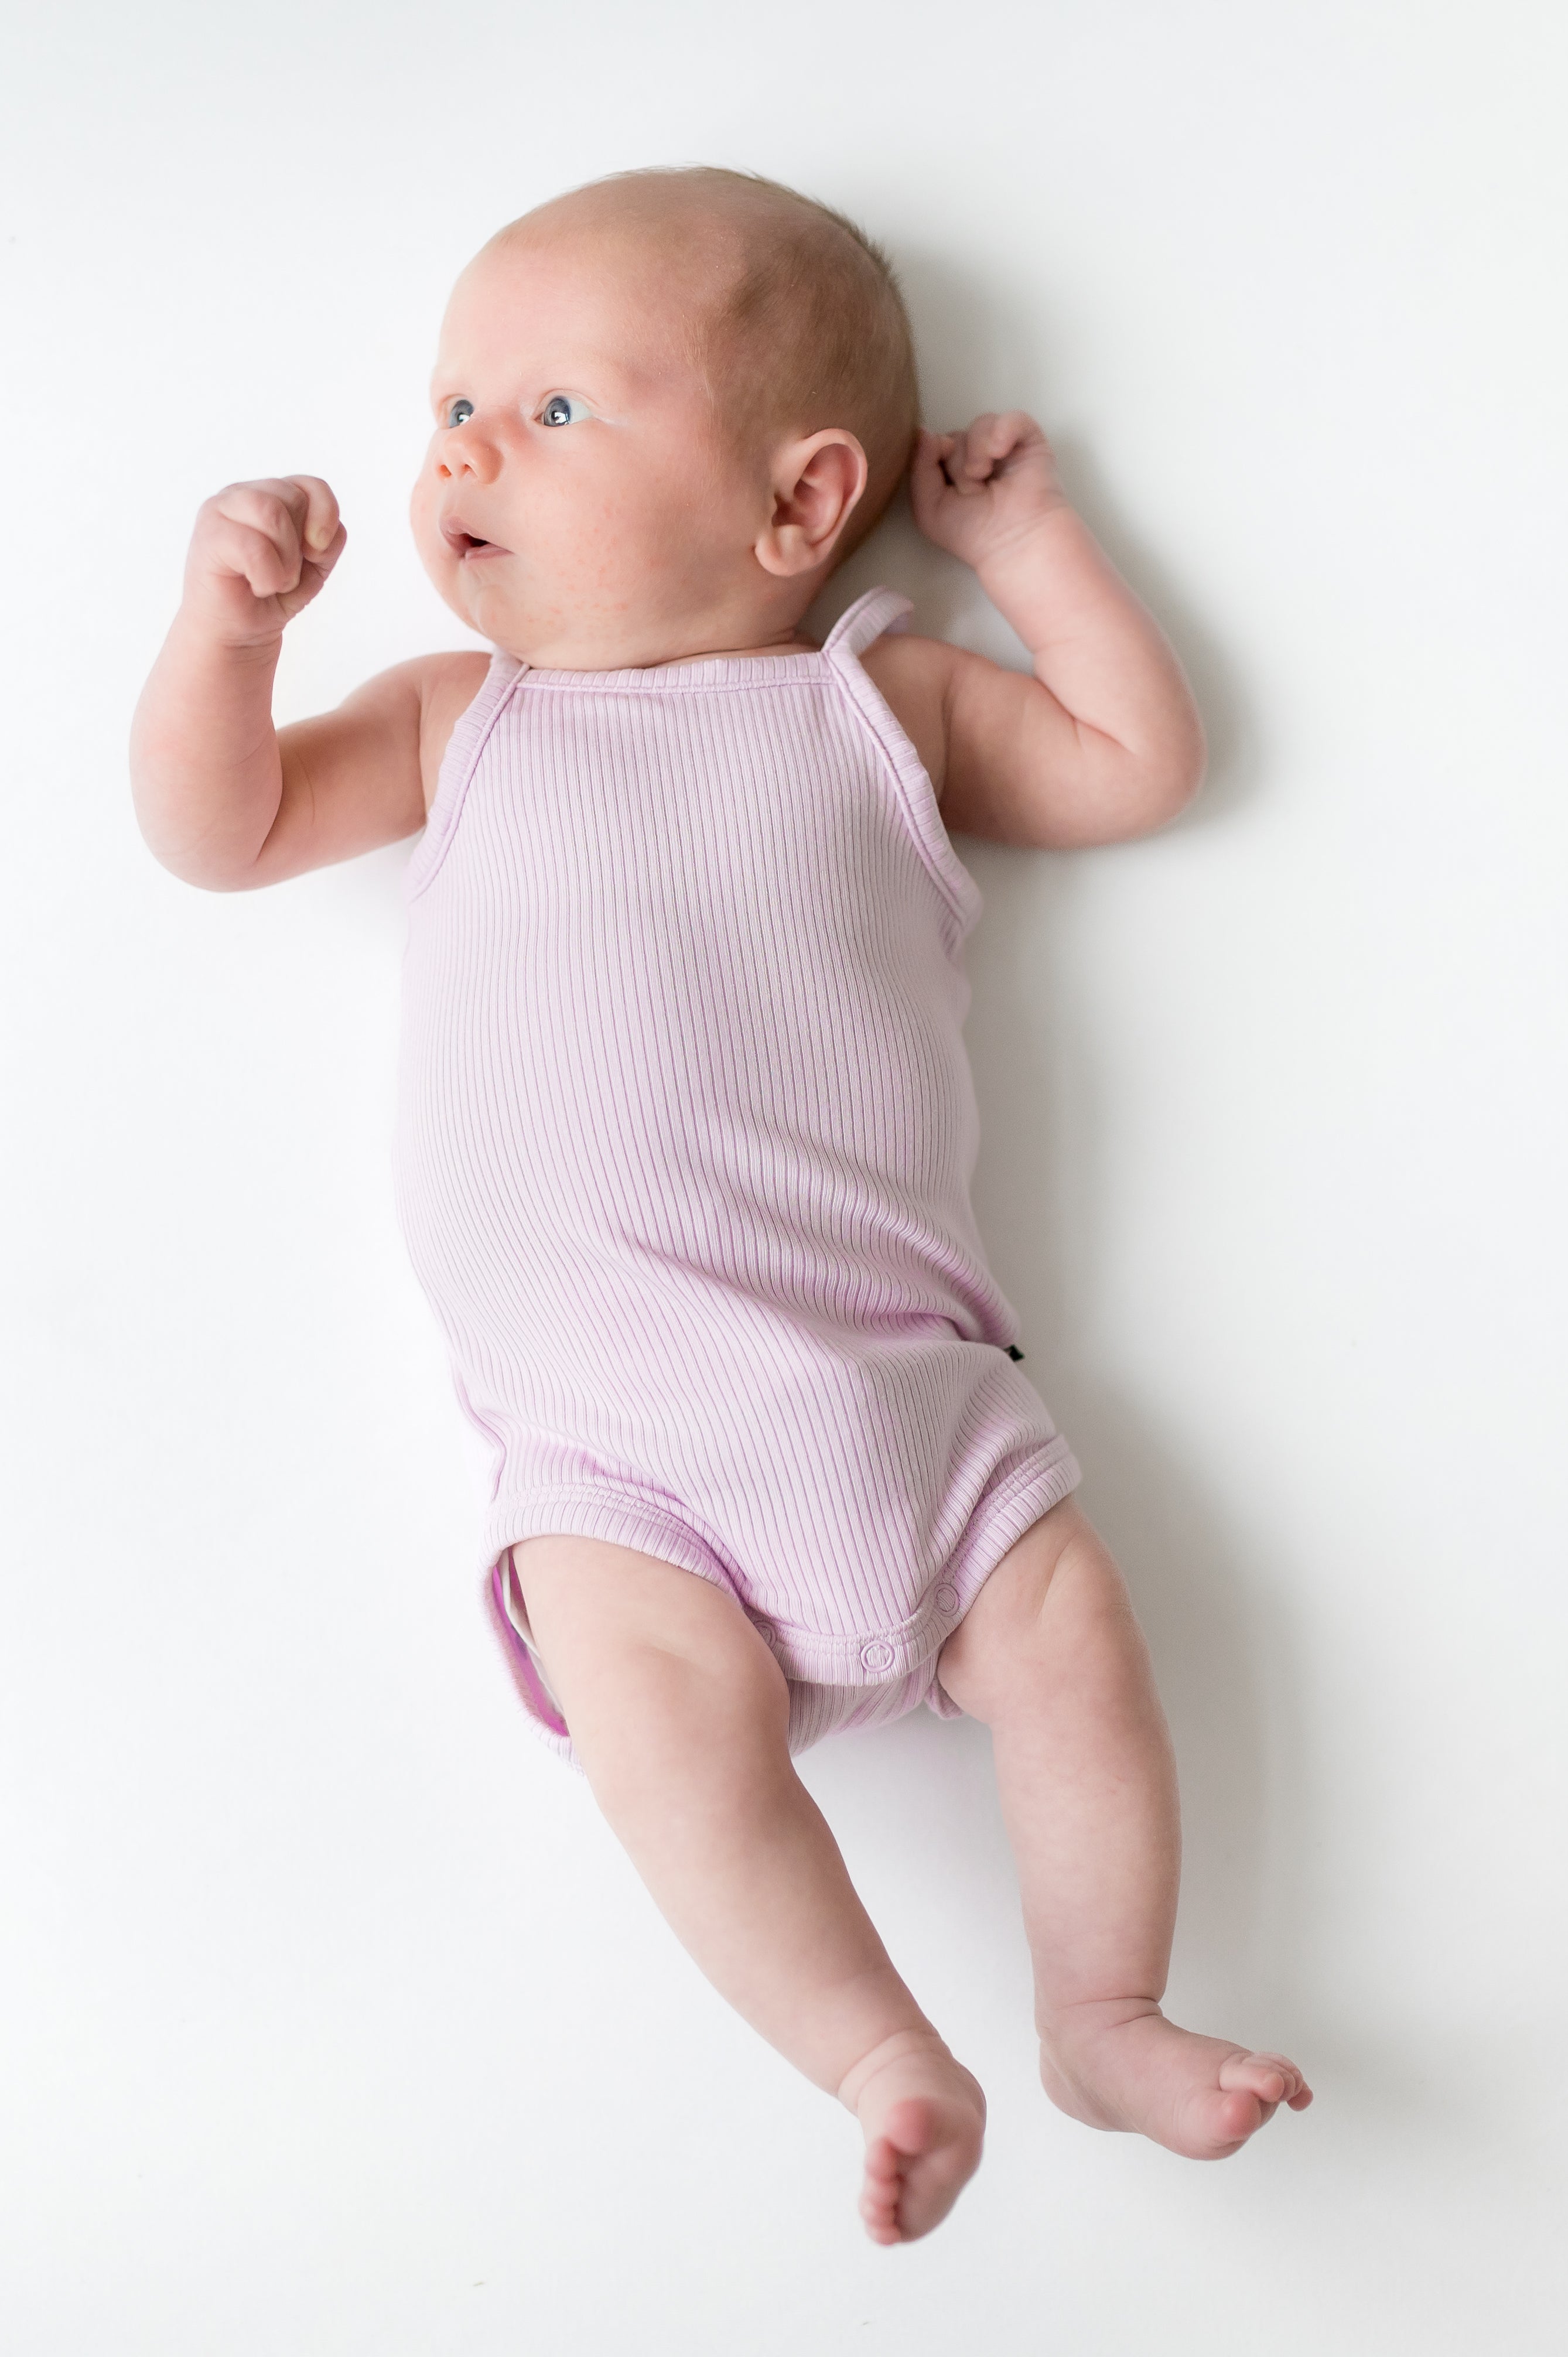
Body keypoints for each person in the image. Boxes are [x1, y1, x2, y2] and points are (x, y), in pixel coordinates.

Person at [129, 165, 1310, 2246]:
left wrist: (1027, 548)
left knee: (1070, 1643)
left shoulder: (883, 703)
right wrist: (226, 638)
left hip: (912, 1399)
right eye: (448, 409)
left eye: (550, 409)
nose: (462, 451)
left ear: (801, 501)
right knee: (662, 1741)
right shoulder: (462, 724)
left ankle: (1102, 2010)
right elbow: (220, 832)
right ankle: (872, 2049)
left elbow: (1133, 763)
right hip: (615, 1458)